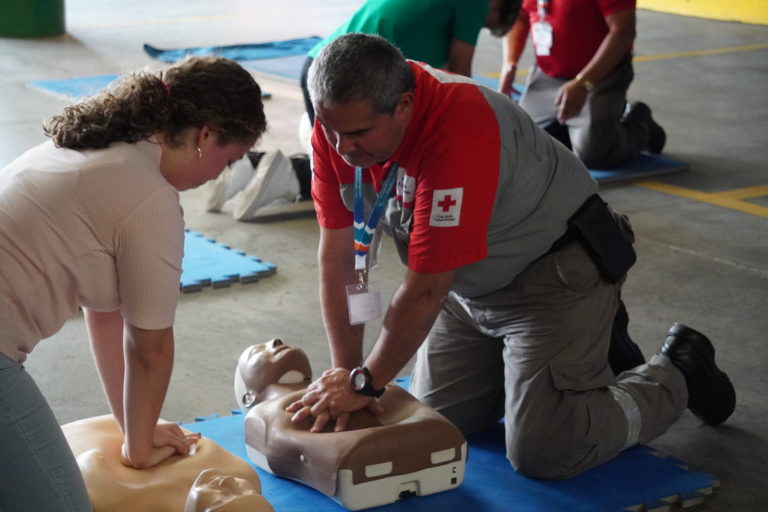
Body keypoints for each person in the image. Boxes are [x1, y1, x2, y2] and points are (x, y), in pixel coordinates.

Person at [286, 33, 736, 480]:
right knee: (426, 424)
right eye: (331, 130)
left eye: (359, 133)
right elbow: (339, 257)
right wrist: (346, 373)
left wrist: (364, 383)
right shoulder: (342, 121)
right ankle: (555, 367)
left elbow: (423, 291)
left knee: (545, 450)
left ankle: (677, 373)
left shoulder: (457, 129)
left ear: (403, 105)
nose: (342, 148)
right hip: (466, 290)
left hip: (553, 280)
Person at [0, 56, 266, 511]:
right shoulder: (150, 199)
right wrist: (141, 449)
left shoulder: (102, 142)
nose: (218, 177)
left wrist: (134, 431)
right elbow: (150, 348)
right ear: (205, 136)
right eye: (229, 161)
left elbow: (108, 315)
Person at [235, 339, 466, 510]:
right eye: (259, 350)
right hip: (362, 452)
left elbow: (424, 294)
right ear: (247, 397)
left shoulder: (374, 386)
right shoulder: (262, 416)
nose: (274, 342)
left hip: (401, 430)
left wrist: (359, 385)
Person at [498, 0, 666, 168]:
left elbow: (623, 32)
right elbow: (520, 16)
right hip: (548, 74)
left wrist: (583, 82)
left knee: (593, 154)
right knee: (521, 143)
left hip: (600, 76)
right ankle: (576, 126)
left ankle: (640, 122)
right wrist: (510, 63)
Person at [299, 0, 521, 126]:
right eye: (484, 23)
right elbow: (460, 73)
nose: (478, 26)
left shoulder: (437, 17)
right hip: (345, 80)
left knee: (339, 174)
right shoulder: (477, 3)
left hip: (318, 67)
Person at [61, 416, 274, 512]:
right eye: (245, 492)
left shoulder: (126, 500)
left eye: (223, 498)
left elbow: (89, 464)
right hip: (142, 427)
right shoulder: (244, 475)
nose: (228, 481)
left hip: (77, 442)